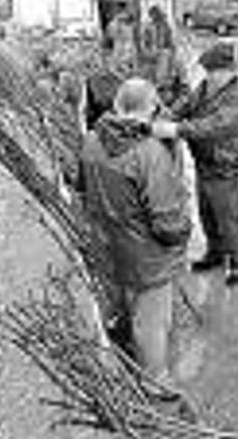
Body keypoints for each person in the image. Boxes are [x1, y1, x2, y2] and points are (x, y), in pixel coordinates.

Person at [79, 78, 192, 383]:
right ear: (152, 107)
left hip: (107, 246)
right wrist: (184, 229)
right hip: (146, 259)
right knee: (152, 325)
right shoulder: (150, 153)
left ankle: (128, 357)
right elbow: (167, 223)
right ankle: (156, 386)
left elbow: (83, 189)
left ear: (117, 105)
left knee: (126, 308)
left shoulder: (91, 139)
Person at [151, 42, 238, 286]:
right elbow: (188, 103)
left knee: (228, 217)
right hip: (206, 162)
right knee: (207, 213)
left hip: (228, 166)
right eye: (207, 71)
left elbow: (217, 126)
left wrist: (176, 129)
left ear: (229, 70)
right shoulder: (207, 86)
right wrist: (168, 115)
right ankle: (215, 253)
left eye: (214, 72)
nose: (209, 76)